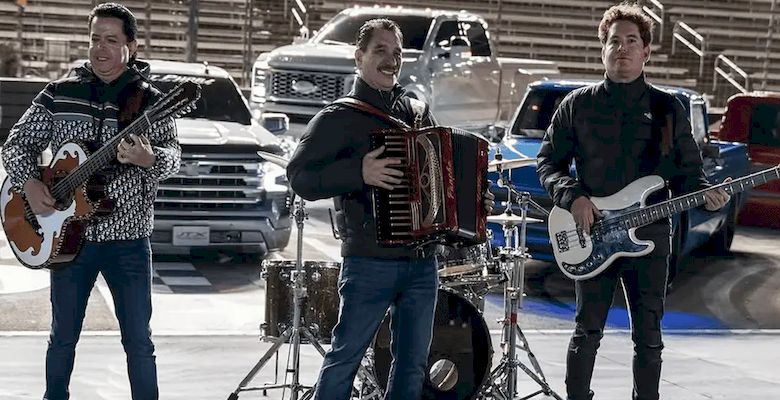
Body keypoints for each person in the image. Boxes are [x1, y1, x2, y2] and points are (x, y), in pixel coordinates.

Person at [286, 18, 493, 400]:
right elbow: (299, 177)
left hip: (422, 264)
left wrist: (474, 202)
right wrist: (359, 172)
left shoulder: (417, 112)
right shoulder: (338, 117)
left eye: (396, 52)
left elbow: (444, 177)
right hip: (369, 262)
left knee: (413, 363)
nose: (391, 59)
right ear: (359, 57)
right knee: (345, 357)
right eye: (380, 50)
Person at [536, 4, 731, 400]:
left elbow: (688, 175)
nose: (621, 48)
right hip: (592, 232)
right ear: (602, 50)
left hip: (651, 238)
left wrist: (708, 197)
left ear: (646, 52)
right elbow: (548, 162)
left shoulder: (668, 108)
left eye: (631, 41)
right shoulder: (577, 105)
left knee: (649, 338)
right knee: (587, 331)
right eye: (614, 41)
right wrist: (573, 197)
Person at [1, 3, 180, 399]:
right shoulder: (59, 93)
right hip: (67, 240)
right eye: (95, 39)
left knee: (139, 341)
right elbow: (15, 145)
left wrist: (149, 159)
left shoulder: (151, 102)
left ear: (132, 46)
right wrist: (29, 184)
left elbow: (173, 159)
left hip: (129, 242)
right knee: (62, 337)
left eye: (111, 40)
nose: (100, 48)